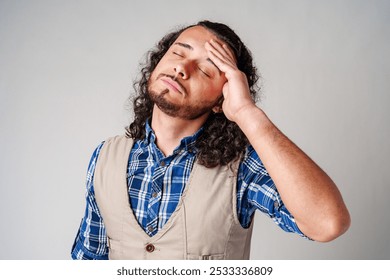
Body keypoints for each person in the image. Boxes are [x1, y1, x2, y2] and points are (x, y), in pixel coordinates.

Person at [71, 20, 350, 260]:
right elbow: (89, 258)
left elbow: (327, 223)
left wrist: (246, 113)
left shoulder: (241, 168)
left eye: (206, 70)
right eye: (178, 53)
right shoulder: (106, 156)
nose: (182, 68)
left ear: (221, 100)